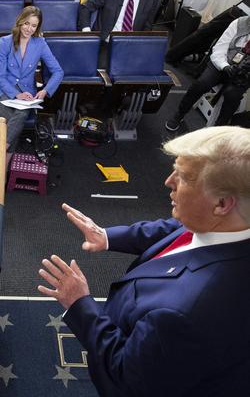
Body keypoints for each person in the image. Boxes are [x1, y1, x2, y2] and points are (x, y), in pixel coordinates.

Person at [37, 126, 250, 396]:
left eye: (183, 177)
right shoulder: (228, 223)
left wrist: (80, 304)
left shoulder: (185, 313)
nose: (168, 181)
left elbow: (126, 378)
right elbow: (173, 229)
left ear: (222, 204)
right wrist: (107, 236)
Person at [0, 6, 64, 164]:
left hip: (28, 94)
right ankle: (1, 169)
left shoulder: (40, 43)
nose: (29, 29)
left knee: (20, 115)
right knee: (18, 119)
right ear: (20, 22)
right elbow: (0, 77)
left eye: (34, 26)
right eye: (26, 23)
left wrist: (45, 90)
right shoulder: (5, 42)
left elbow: (58, 72)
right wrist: (16, 94)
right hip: (2, 92)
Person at [165, 16, 250, 130]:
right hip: (221, 63)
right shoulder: (239, 23)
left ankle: (218, 129)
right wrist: (224, 66)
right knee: (201, 84)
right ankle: (180, 114)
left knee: (232, 95)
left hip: (243, 74)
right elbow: (220, 48)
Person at [79, 0, 160, 66]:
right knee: (104, 70)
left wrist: (141, 48)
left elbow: (147, 28)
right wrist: (86, 30)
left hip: (132, 46)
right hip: (107, 44)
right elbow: (86, 7)